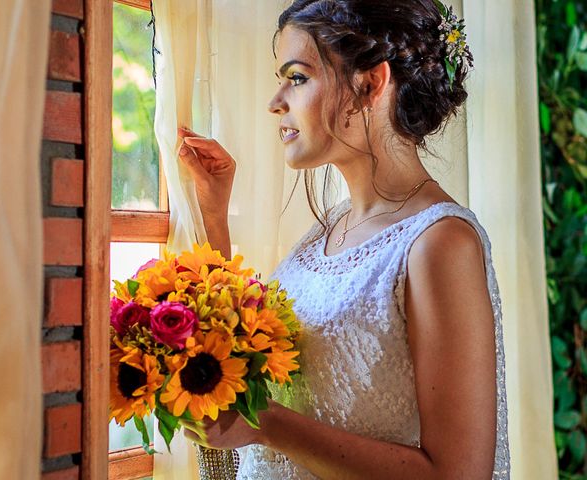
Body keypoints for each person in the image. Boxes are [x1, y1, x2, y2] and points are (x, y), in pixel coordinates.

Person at [175, 0, 510, 478]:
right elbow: (247, 361)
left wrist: (266, 422)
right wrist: (214, 214)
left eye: (296, 77)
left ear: (370, 83)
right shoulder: (327, 231)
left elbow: (457, 474)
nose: (275, 101)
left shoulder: (440, 243)